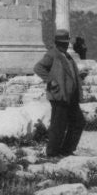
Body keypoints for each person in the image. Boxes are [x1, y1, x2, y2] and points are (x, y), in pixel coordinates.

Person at [33, 29, 85, 158]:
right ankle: (52, 153)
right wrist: (51, 81)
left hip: (71, 96)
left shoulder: (67, 56)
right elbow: (38, 68)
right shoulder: (52, 54)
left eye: (66, 42)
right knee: (59, 125)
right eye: (63, 43)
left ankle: (66, 150)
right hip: (59, 95)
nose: (66, 45)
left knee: (78, 122)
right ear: (57, 43)